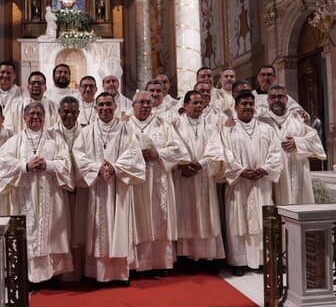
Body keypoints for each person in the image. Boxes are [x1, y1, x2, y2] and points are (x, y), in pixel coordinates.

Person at [73, 92, 145, 285]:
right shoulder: (87, 132)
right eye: (101, 105)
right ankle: (97, 272)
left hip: (119, 187)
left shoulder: (126, 129)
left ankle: (120, 273)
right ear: (95, 108)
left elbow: (134, 153)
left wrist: (115, 167)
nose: (105, 108)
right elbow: (78, 154)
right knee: (97, 228)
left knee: (120, 224)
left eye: (108, 105)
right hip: (97, 187)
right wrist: (98, 167)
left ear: (115, 107)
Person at [0, 102, 74, 284]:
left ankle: (52, 275)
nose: (35, 117)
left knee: (51, 233)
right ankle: (26, 277)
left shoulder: (55, 140)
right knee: (27, 234)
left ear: (45, 117)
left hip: (50, 196)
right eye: (31, 114)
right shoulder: (15, 141)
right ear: (24, 118)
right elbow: (4, 163)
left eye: (39, 113)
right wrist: (25, 166)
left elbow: (66, 164)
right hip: (25, 196)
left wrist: (48, 165)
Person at [208, 90, 282, 275]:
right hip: (238, 184)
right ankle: (238, 261)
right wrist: (240, 170)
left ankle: (263, 260)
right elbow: (223, 152)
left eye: (251, 104)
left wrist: (265, 168)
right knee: (236, 221)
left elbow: (276, 152)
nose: (248, 107)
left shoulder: (267, 129)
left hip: (261, 183)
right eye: (244, 104)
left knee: (262, 220)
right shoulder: (227, 129)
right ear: (236, 107)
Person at [128, 91, 186, 273]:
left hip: (159, 177)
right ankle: (138, 264)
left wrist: (157, 153)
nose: (145, 105)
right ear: (133, 105)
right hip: (136, 181)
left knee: (160, 217)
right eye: (141, 102)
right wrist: (138, 155)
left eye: (148, 102)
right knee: (137, 219)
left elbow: (178, 149)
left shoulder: (163, 124)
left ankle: (161, 263)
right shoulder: (125, 125)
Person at [173, 91, 225, 266]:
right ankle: (187, 258)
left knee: (206, 214)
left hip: (203, 176)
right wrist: (184, 164)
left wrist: (200, 165)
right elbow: (173, 145)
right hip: (184, 177)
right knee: (186, 214)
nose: (198, 106)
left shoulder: (210, 126)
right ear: (185, 105)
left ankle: (207, 257)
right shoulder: (176, 125)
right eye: (194, 103)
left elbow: (216, 148)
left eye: (201, 103)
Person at [260, 85, 326, 204]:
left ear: (286, 99)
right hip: (273, 174)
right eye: (273, 97)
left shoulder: (297, 119)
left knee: (297, 203)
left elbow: (315, 140)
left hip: (296, 170)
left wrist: (298, 142)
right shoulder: (261, 121)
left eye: (280, 97)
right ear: (268, 100)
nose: (276, 100)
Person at [48, 96, 86, 280]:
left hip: (83, 189)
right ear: (59, 112)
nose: (69, 115)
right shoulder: (50, 133)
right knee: (61, 231)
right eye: (65, 112)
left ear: (78, 113)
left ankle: (81, 271)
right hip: (59, 189)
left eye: (73, 112)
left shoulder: (87, 132)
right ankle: (62, 273)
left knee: (81, 230)